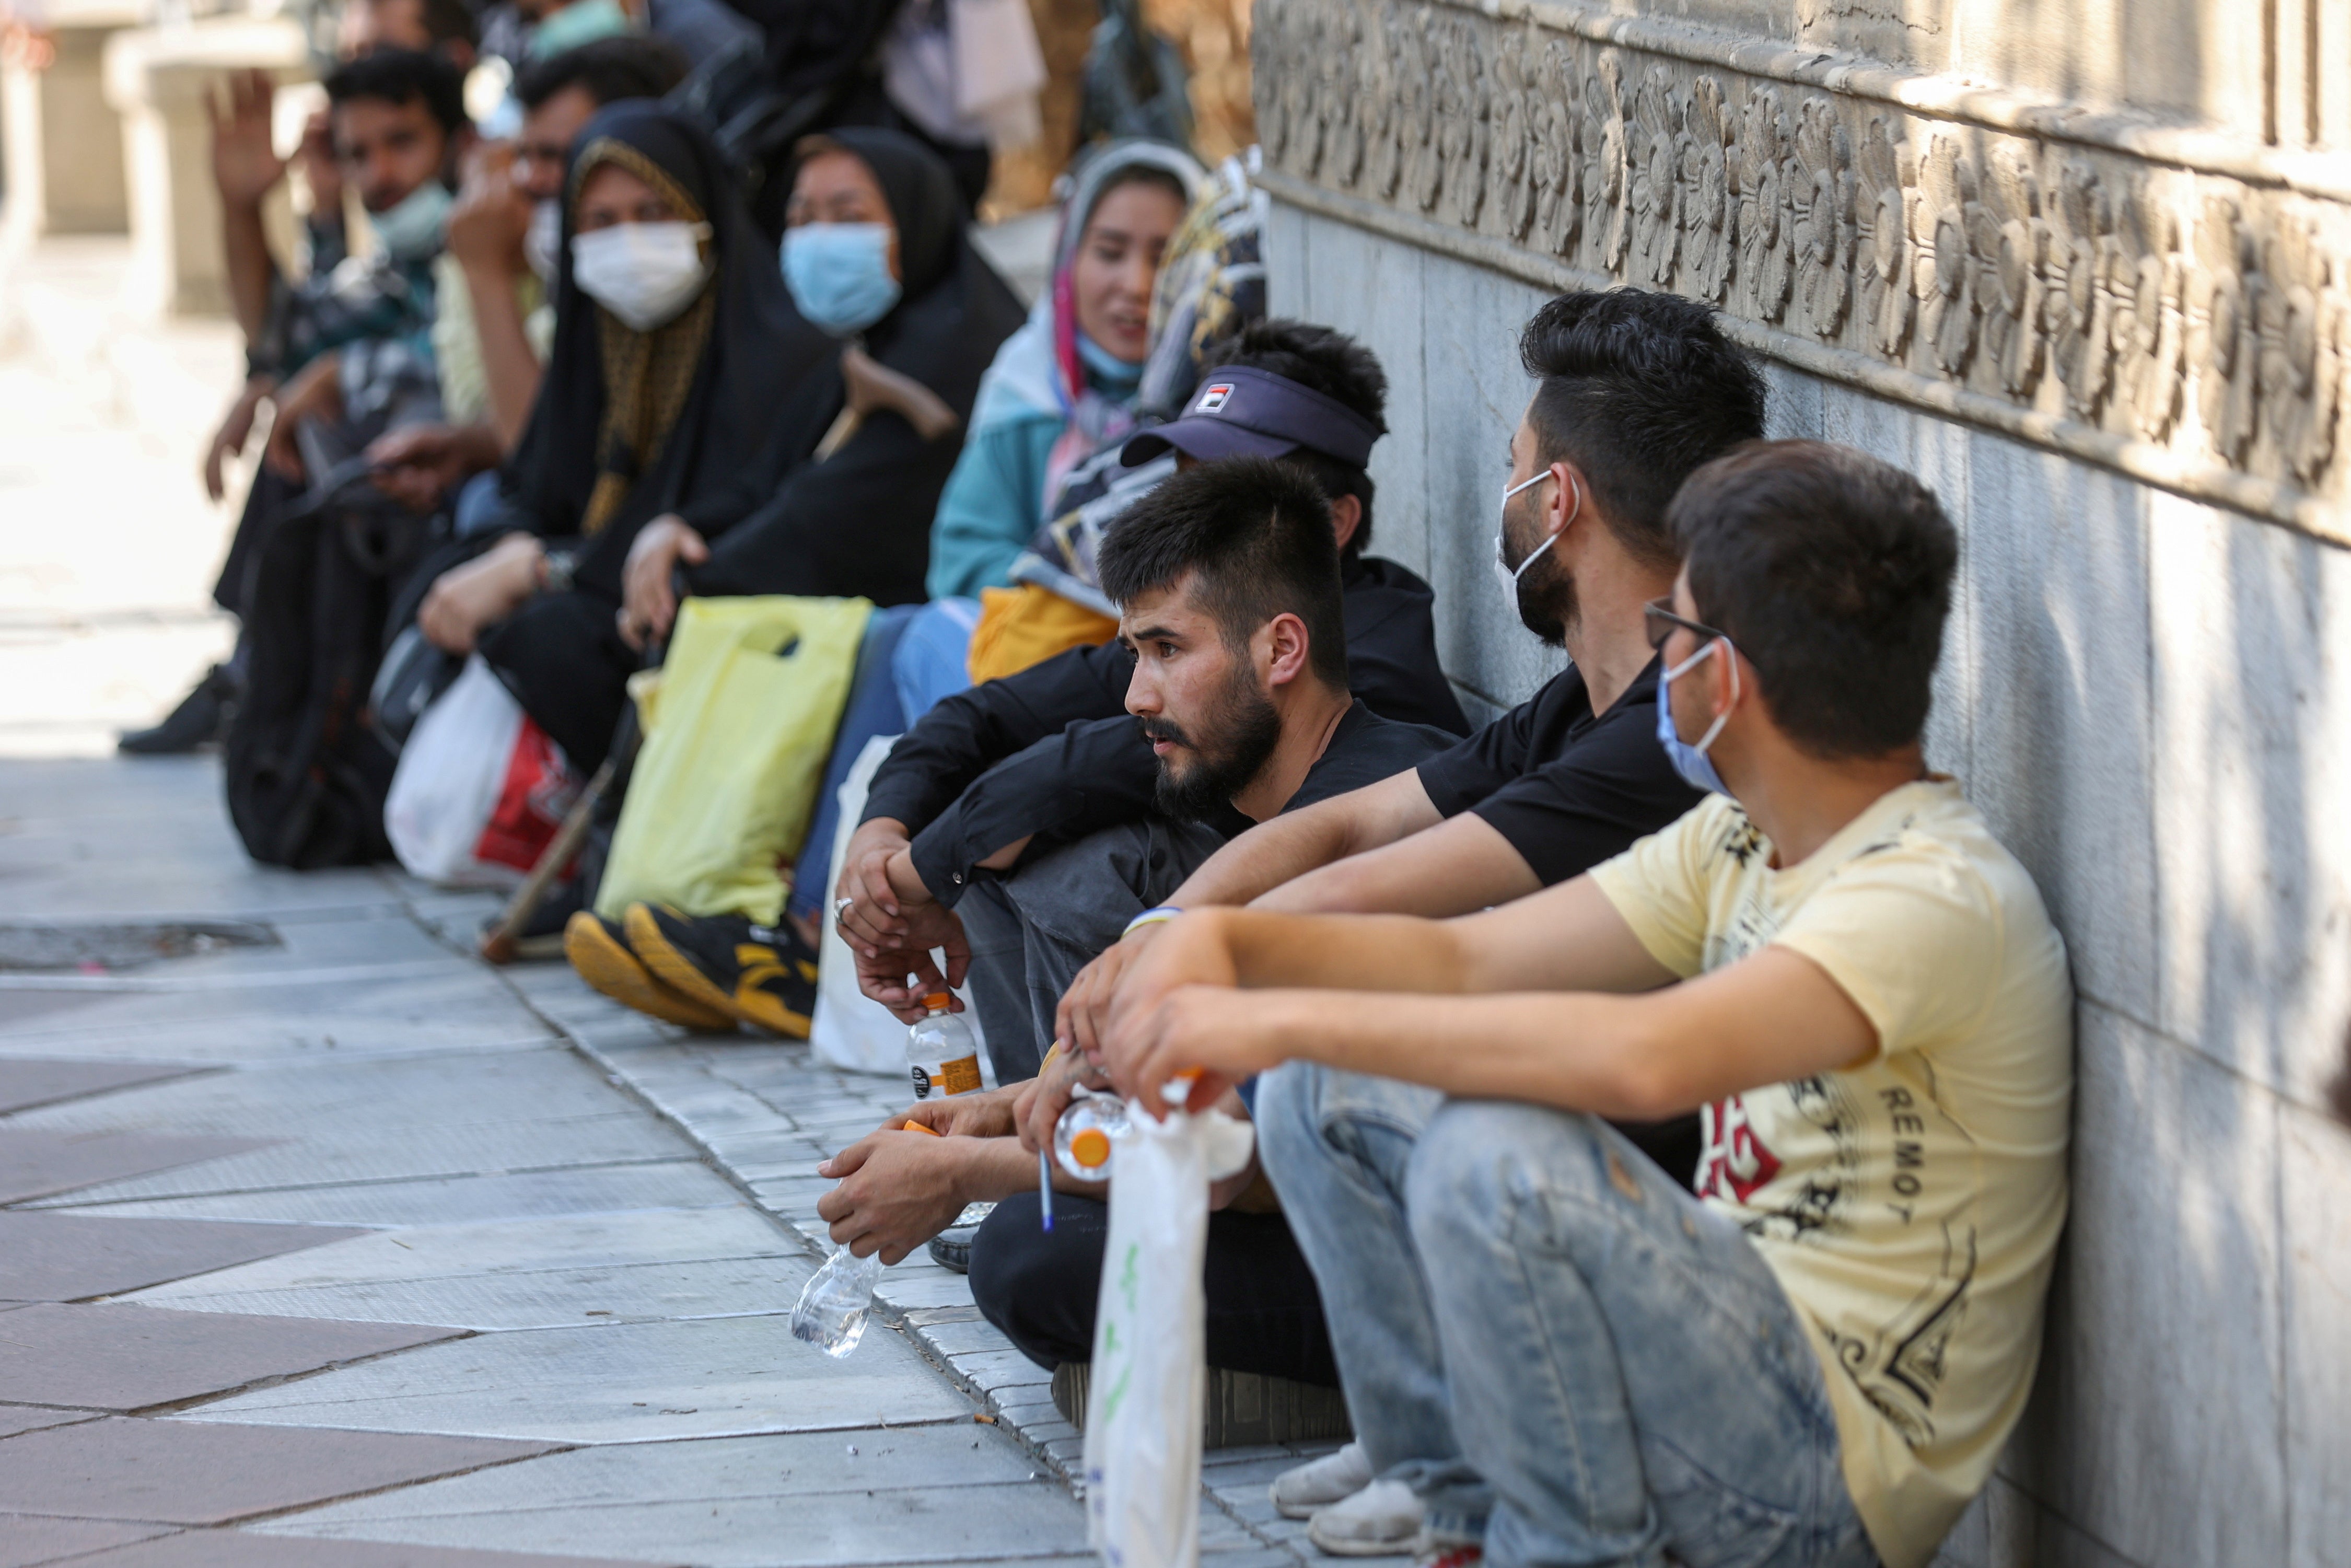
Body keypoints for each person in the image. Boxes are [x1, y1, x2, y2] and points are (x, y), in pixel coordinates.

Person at [1097, 439, 2074, 1568]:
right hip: (1713, 1352)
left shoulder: (1932, 897)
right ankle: (1455, 1508)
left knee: (1493, 1154)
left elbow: (1643, 1059)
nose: (1660, 660)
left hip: (1820, 1478)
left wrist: (1267, 1018)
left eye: (1679, 633)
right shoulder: (1741, 837)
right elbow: (1465, 964)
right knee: (1333, 1076)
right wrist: (1213, 948)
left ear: (1728, 679)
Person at [799, 456, 1458, 1408]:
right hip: (1318, 1179)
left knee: (1031, 1256)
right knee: (1041, 1230)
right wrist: (999, 1106)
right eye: (1133, 655)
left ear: (1281, 651)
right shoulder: (1277, 797)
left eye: (1166, 651)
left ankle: (1362, 1400)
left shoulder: (1374, 816)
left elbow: (1243, 1150)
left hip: (1435, 1257)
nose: (1136, 696)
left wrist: (962, 1173)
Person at [829, 321, 1468, 1057]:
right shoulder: (1189, 616)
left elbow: (1095, 763)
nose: (1186, 511)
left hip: (1325, 1009)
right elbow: (984, 715)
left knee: (1070, 859)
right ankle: (1049, 1134)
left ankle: (1081, 1137)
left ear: (1332, 523)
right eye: (1182, 480)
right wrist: (884, 834)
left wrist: (918, 872)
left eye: (1226, 489)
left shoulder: (1367, 660)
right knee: (996, 832)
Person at [428, 124, 1019, 785]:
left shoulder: (950, 362)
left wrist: (665, 576)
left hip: (862, 631)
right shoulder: (868, 349)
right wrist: (681, 527)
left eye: (848, 217)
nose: (819, 237)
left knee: (566, 637)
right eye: (802, 214)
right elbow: (766, 484)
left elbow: (816, 527)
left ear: (919, 220)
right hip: (751, 596)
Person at [119, 48, 473, 759]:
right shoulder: (398, 261)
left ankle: (257, 675)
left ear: (457, 143)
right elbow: (288, 329)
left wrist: (331, 374)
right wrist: (244, 208)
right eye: (357, 155)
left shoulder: (493, 230)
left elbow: (448, 374)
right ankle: (258, 670)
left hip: (467, 487)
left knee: (326, 420)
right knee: (310, 416)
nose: (380, 175)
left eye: (402, 143)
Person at [368, 36, 691, 512]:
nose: (530, 180)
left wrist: (486, 276)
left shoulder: (651, 273)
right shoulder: (549, 254)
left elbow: (542, 464)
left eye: (557, 156)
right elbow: (481, 409)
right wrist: (470, 445)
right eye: (524, 155)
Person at [923, 140, 1201, 606]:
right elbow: (963, 559)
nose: (1137, 285)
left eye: (1166, 257)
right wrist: (1071, 599)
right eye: (1110, 252)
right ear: (1069, 260)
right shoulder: (1029, 389)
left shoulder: (1225, 401)